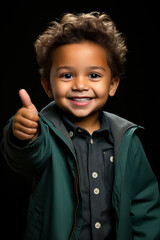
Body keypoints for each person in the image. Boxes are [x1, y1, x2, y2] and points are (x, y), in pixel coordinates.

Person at [1, 11, 160, 240]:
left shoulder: (127, 139)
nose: (80, 85)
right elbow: (25, 158)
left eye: (94, 75)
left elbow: (145, 203)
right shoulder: (43, 132)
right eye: (67, 76)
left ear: (112, 84)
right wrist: (23, 134)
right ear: (48, 87)